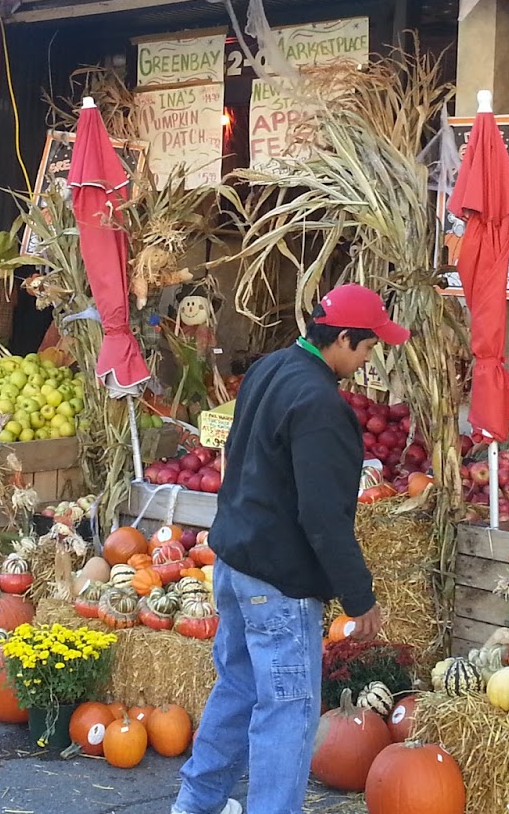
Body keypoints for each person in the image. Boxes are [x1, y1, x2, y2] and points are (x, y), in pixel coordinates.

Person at [173, 283, 409, 814]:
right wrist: (359, 596)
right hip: (278, 581)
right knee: (289, 711)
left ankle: (195, 803)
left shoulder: (269, 367)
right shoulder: (321, 405)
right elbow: (323, 518)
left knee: (236, 689)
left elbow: (232, 456)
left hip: (234, 560)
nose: (369, 358)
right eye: (368, 347)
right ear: (344, 338)